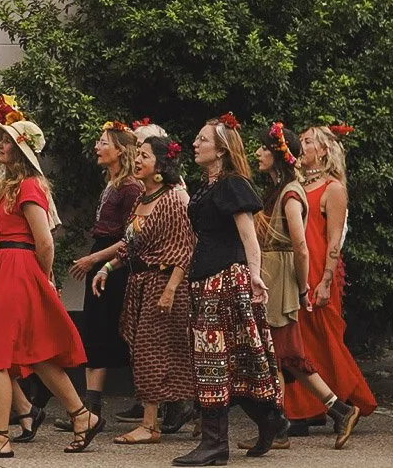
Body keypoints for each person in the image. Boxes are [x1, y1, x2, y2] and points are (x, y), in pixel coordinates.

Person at [0, 94, 105, 457]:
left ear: (21, 150)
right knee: (38, 354)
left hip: (19, 271)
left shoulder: (29, 188)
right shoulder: (8, 188)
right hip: (9, 268)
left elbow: (44, 241)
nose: (0, 145)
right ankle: (83, 416)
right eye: (0, 140)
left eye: (7, 141)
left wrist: (42, 278)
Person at [173, 114, 284, 465]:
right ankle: (270, 419)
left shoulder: (233, 184)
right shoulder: (207, 186)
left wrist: (255, 277)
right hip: (204, 280)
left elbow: (249, 235)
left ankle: (216, 443)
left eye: (202, 140)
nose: (195, 144)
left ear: (221, 150)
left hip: (225, 281)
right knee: (224, 362)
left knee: (221, 360)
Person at [247, 123, 359, 451]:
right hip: (273, 273)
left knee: (286, 353)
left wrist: (303, 288)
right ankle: (289, 425)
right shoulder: (280, 189)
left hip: (280, 276)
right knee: (280, 356)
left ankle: (339, 409)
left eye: (264, 149)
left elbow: (301, 246)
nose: (258, 153)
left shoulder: (291, 193)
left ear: (279, 155)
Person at [90, 133, 195, 445]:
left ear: (161, 164)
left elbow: (184, 250)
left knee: (155, 352)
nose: (138, 160)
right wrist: (107, 268)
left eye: (145, 156)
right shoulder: (142, 199)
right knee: (144, 350)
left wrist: (170, 290)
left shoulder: (173, 200)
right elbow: (132, 246)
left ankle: (151, 424)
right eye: (138, 155)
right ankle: (172, 418)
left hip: (164, 285)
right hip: (141, 283)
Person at [284, 124, 376, 434]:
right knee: (299, 343)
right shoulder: (295, 184)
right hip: (296, 271)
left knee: (323, 341)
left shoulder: (334, 188)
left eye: (309, 141)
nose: (302, 145)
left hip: (320, 274)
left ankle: (346, 402)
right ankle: (303, 410)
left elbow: (334, 241)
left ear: (323, 150)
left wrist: (325, 281)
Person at [66, 120, 142, 419]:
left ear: (121, 150)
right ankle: (92, 405)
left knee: (123, 330)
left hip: (116, 265)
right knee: (96, 330)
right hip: (100, 255)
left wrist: (95, 259)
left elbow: (131, 236)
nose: (97, 147)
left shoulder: (131, 187)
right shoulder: (111, 184)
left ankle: (154, 401)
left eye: (103, 143)